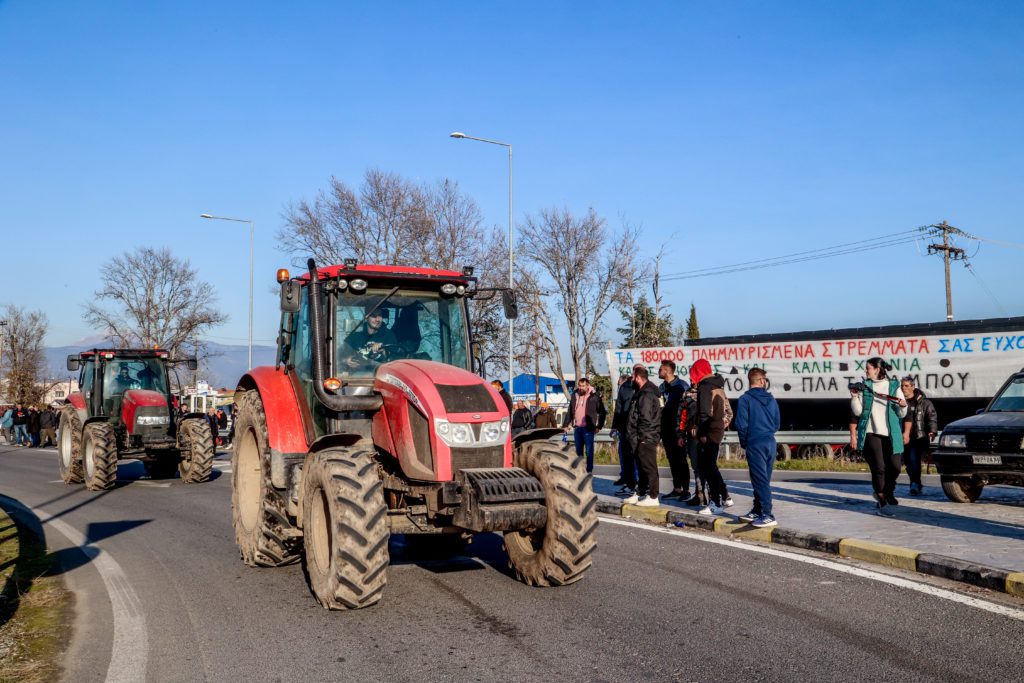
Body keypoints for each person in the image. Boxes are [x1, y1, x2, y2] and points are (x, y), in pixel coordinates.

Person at [850, 357, 908, 516]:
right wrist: (854, 397)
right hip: (871, 432)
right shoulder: (865, 387)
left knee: (895, 466)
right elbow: (858, 412)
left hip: (891, 433)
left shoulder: (894, 386)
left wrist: (903, 406)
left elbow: (901, 413)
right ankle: (882, 499)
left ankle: (888, 491)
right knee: (879, 467)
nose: (865, 371)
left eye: (868, 368)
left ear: (877, 369)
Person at [735, 368, 781, 527]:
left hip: (755, 442)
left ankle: (768, 514)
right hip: (770, 441)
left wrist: (744, 442)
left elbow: (741, 424)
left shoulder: (744, 399)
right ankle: (757, 510)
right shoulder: (772, 399)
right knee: (764, 479)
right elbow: (777, 424)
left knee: (759, 480)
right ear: (762, 381)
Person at [690, 359, 733, 515]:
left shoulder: (705, 387)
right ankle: (725, 496)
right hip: (716, 430)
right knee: (711, 467)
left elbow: (704, 413)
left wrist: (702, 433)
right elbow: (727, 411)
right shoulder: (718, 386)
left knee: (707, 468)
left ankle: (715, 502)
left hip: (708, 431)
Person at [624, 365, 661, 507]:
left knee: (649, 467)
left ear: (638, 378)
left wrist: (643, 438)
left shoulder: (646, 394)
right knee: (642, 466)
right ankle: (640, 493)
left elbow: (646, 418)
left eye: (633, 377)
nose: (631, 379)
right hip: (640, 437)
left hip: (646, 437)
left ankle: (653, 496)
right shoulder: (641, 392)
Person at [658, 360, 691, 500]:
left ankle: (686, 490)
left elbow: (687, 408)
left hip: (678, 429)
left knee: (681, 459)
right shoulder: (661, 387)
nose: (659, 371)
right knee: (671, 459)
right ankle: (677, 488)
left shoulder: (682, 386)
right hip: (666, 428)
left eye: (661, 369)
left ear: (667, 371)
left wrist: (682, 431)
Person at [901, 376, 937, 496]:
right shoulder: (899, 401)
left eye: (906, 386)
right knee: (907, 461)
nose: (903, 388)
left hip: (918, 437)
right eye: (902, 386)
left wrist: (932, 430)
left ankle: (915, 483)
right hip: (901, 437)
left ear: (912, 387)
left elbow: (931, 417)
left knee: (913, 460)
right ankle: (916, 482)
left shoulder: (924, 402)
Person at [561, 377, 606, 473]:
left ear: (588, 386)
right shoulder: (575, 395)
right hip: (577, 427)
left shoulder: (594, 396)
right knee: (578, 451)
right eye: (580, 386)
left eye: (583, 386)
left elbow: (602, 412)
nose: (581, 388)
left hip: (588, 428)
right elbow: (570, 411)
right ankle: (580, 471)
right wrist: (565, 425)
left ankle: (589, 471)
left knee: (589, 451)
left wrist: (599, 426)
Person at [676, 385, 703, 506]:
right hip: (691, 436)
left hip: (708, 435)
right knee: (696, 467)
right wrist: (680, 434)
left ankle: (717, 497)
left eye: (695, 378)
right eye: (691, 379)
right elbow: (681, 416)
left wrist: (715, 431)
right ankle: (700, 495)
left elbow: (724, 413)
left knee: (709, 467)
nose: (693, 381)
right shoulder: (686, 394)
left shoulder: (709, 391)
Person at [611, 374, 638, 493]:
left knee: (633, 458)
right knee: (624, 457)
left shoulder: (635, 390)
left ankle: (635, 483)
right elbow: (618, 410)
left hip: (633, 429)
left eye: (619, 384)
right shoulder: (624, 390)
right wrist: (615, 426)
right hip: (623, 429)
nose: (618, 387)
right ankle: (627, 480)